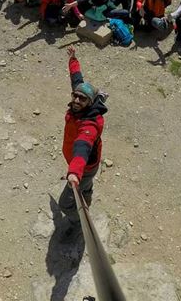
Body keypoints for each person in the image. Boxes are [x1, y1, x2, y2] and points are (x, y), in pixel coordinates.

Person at [58, 45, 108, 234]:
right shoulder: (81, 103)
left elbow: (82, 148)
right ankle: (87, 193)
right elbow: (76, 78)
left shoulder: (90, 124)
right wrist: (73, 59)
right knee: (86, 188)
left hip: (83, 168)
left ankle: (79, 222)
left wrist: (74, 173)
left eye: (82, 99)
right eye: (75, 96)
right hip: (82, 167)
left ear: (91, 102)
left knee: (64, 203)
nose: (77, 101)